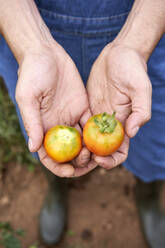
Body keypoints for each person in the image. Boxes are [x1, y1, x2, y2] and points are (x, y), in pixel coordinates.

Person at [0, 0, 165, 247]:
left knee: (155, 139)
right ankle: (57, 188)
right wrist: (32, 46)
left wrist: (135, 45)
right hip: (29, 28)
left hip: (148, 29)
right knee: (41, 125)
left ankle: (148, 196)